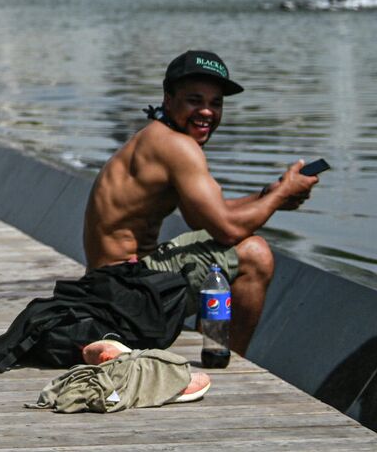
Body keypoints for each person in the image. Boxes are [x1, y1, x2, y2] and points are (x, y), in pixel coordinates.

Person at [82, 50, 317, 356]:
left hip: (111, 284)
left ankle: (214, 347)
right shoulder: (177, 146)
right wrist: (282, 193)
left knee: (232, 245)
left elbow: (205, 217)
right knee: (255, 254)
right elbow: (228, 230)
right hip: (124, 293)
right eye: (195, 100)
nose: (206, 111)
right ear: (169, 99)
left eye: (215, 103)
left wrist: (267, 195)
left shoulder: (157, 137)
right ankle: (227, 356)